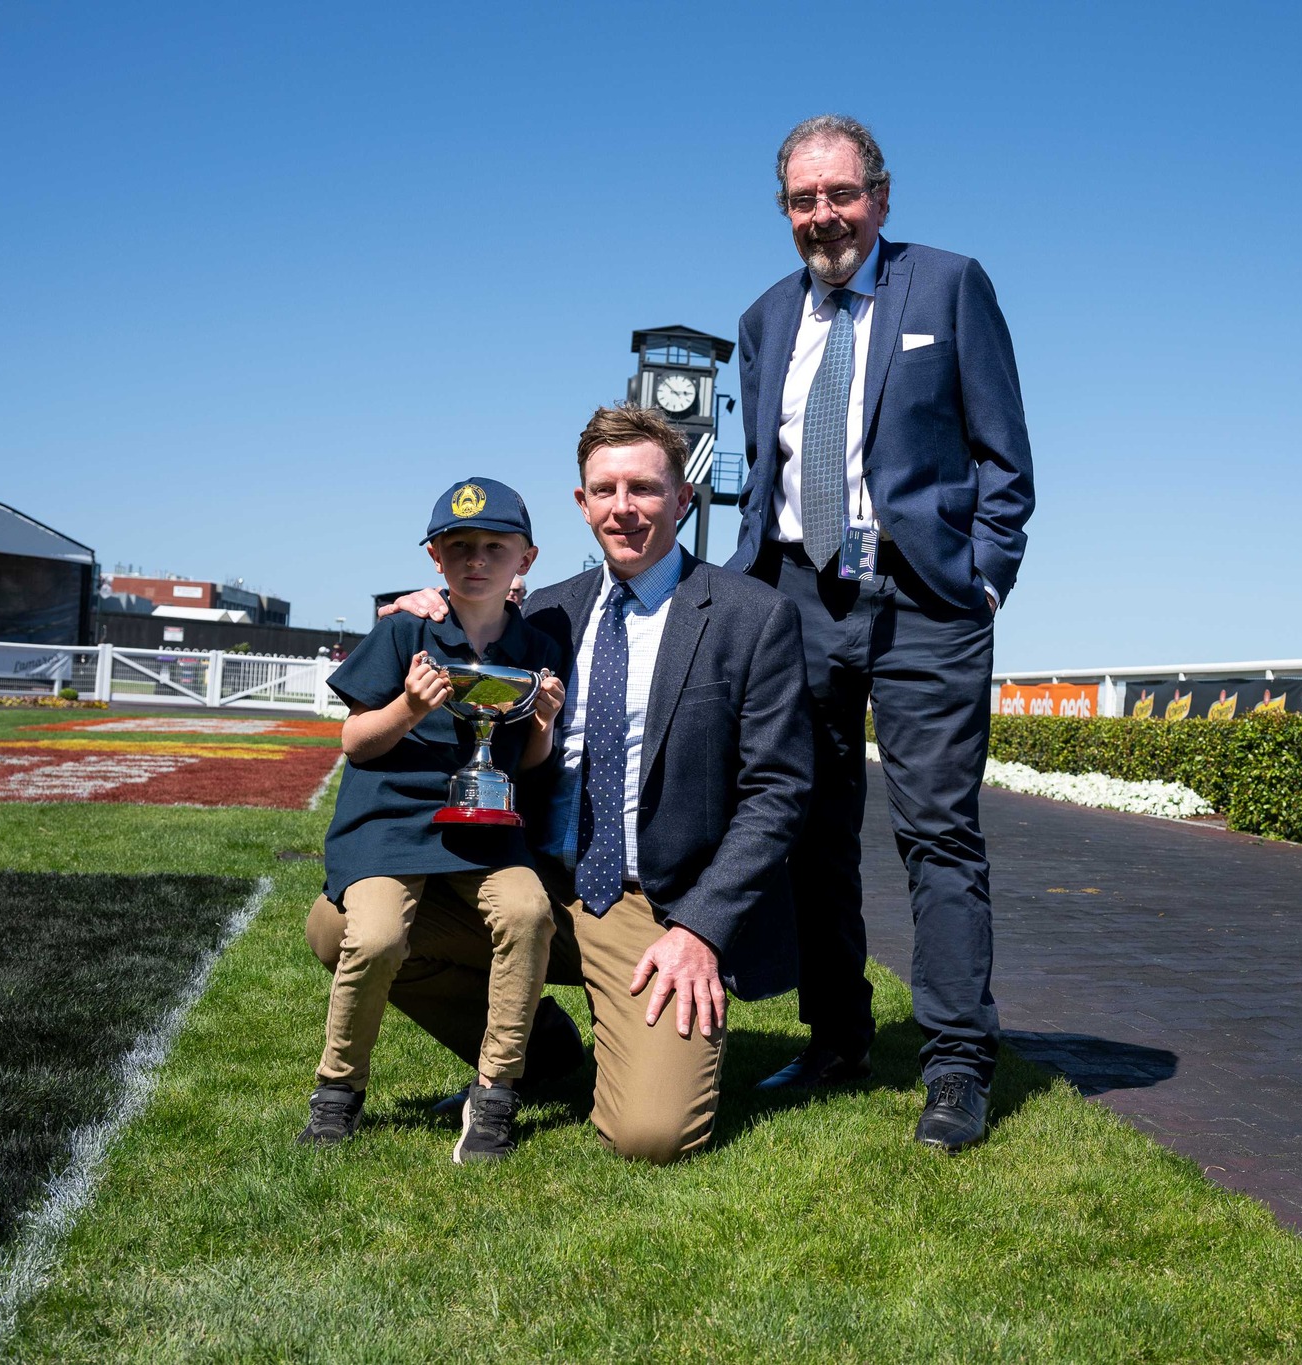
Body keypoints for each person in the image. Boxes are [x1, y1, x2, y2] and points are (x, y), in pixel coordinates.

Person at [378, 405, 814, 1163]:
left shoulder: (752, 616)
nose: (624, 508)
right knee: (347, 925)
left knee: (651, 1136)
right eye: (604, 490)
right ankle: (543, 1051)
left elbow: (778, 793)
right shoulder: (544, 612)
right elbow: (463, 636)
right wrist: (432, 608)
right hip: (530, 882)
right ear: (581, 504)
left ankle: (622, 1031)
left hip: (652, 902)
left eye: (644, 488)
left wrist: (701, 927)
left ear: (683, 499)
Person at [726, 115, 1036, 1152]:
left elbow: (1004, 459)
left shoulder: (947, 286)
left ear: (880, 196)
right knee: (807, 827)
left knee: (935, 833)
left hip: (921, 603)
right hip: (795, 606)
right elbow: (761, 476)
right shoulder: (764, 318)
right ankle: (837, 1036)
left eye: (840, 194)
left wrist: (983, 581)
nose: (824, 216)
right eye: (803, 201)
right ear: (785, 211)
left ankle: (954, 1064)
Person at [300, 477, 567, 1164]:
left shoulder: (535, 646)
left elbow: (531, 764)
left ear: (525, 560)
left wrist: (542, 723)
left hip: (487, 828)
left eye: (493, 546)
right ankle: (337, 1090)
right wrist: (408, 709)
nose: (476, 559)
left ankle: (496, 1092)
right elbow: (356, 741)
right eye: (458, 546)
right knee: (380, 934)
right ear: (434, 556)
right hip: (390, 823)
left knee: (529, 912)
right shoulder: (403, 631)